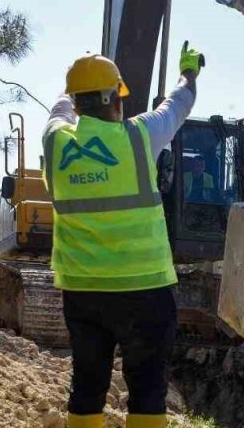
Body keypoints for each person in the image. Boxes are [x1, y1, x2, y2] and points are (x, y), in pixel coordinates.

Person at [43, 42, 204, 428]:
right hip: (144, 289)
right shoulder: (138, 138)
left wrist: (73, 86)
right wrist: (190, 72)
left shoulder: (55, 144)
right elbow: (178, 104)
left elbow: (57, 111)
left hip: (83, 292)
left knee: (87, 385)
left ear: (78, 105)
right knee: (147, 389)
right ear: (117, 97)